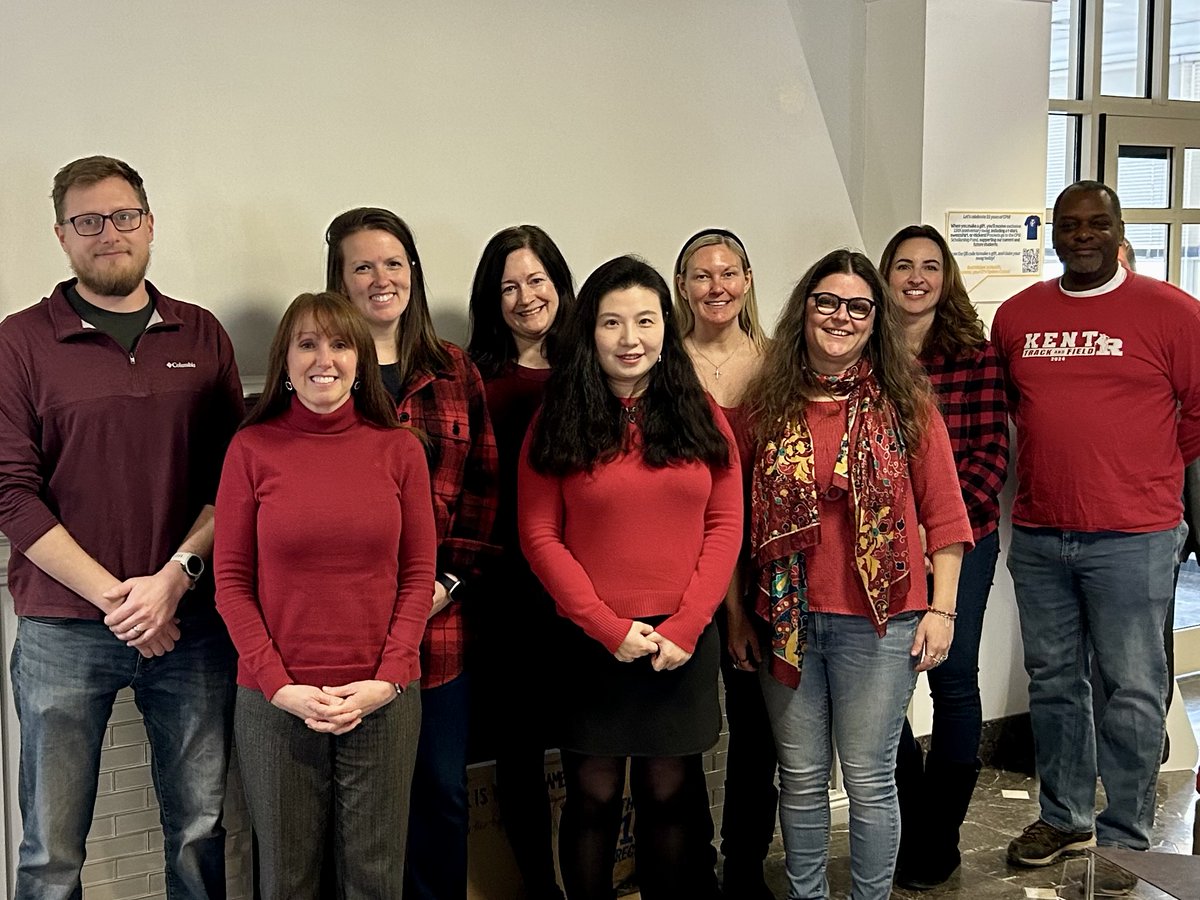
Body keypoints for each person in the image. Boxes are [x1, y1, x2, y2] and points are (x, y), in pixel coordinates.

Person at [0, 155, 243, 899]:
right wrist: (123, 601)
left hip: (191, 627)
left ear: (149, 223)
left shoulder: (201, 334)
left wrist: (173, 581)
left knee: (200, 832)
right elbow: (11, 495)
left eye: (124, 216)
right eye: (88, 221)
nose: (110, 233)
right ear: (62, 236)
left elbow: (234, 482)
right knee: (50, 851)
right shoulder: (19, 342)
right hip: (62, 633)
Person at [993, 181, 1200, 895]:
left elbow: (1197, 418)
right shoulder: (1018, 318)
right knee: (1054, 686)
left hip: (1134, 538)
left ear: (1117, 230)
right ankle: (1064, 815)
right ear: (1054, 232)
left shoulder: (1172, 313)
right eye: (1069, 224)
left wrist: (1152, 487)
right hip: (1043, 535)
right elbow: (1019, 413)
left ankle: (1126, 839)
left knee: (1134, 691)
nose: (1081, 235)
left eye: (1096, 223)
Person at [745, 249, 971, 900]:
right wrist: (739, 614)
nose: (840, 317)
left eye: (857, 306)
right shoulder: (768, 403)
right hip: (787, 620)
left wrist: (944, 610)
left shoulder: (906, 405)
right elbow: (734, 520)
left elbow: (948, 517)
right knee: (802, 776)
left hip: (883, 623)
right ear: (804, 310)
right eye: (826, 302)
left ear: (875, 319)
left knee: (871, 779)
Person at [519, 255, 742, 900]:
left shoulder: (699, 411)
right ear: (589, 331)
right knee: (591, 797)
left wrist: (690, 623)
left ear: (666, 329)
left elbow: (725, 524)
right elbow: (539, 534)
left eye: (645, 320)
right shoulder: (558, 414)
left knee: (669, 795)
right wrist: (606, 626)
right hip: (593, 643)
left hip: (680, 644)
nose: (630, 338)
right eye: (612, 323)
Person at [214, 292, 435, 898]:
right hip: (275, 701)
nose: (324, 359)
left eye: (339, 344)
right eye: (307, 343)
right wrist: (278, 685)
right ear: (284, 359)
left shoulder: (399, 449)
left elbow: (420, 574)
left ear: (360, 358)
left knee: (375, 876)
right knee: (286, 878)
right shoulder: (251, 449)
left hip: (382, 698)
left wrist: (388, 678)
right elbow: (231, 581)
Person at [325, 207, 499, 900]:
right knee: (359, 809)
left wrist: (446, 583)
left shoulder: (454, 370)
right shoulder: (320, 370)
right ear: (339, 280)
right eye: (362, 265)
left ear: (414, 274)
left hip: (438, 633)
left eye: (393, 263)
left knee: (440, 797)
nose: (380, 278)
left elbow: (485, 495)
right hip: (345, 636)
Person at [878, 224, 1008, 889]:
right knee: (883, 690)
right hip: (882, 550)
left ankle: (938, 835)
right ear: (886, 275)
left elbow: (990, 458)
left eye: (930, 266)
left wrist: (940, 530)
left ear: (946, 278)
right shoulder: (862, 356)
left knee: (952, 679)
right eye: (904, 265)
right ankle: (910, 823)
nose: (917, 277)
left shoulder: (975, 356)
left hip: (963, 541)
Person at [466, 224, 575, 900]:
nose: (525, 296)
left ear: (560, 285)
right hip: (503, 589)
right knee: (518, 752)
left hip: (585, 587)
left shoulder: (595, 366)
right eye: (509, 286)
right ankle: (540, 887)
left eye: (536, 280)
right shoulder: (473, 375)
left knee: (590, 747)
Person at [672, 228, 776, 899]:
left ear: (746, 280)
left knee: (756, 732)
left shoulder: (777, 363)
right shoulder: (663, 363)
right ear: (681, 285)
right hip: (682, 567)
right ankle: (690, 865)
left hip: (767, 572)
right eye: (702, 275)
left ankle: (743, 867)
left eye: (729, 273)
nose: (717, 287)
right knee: (679, 728)